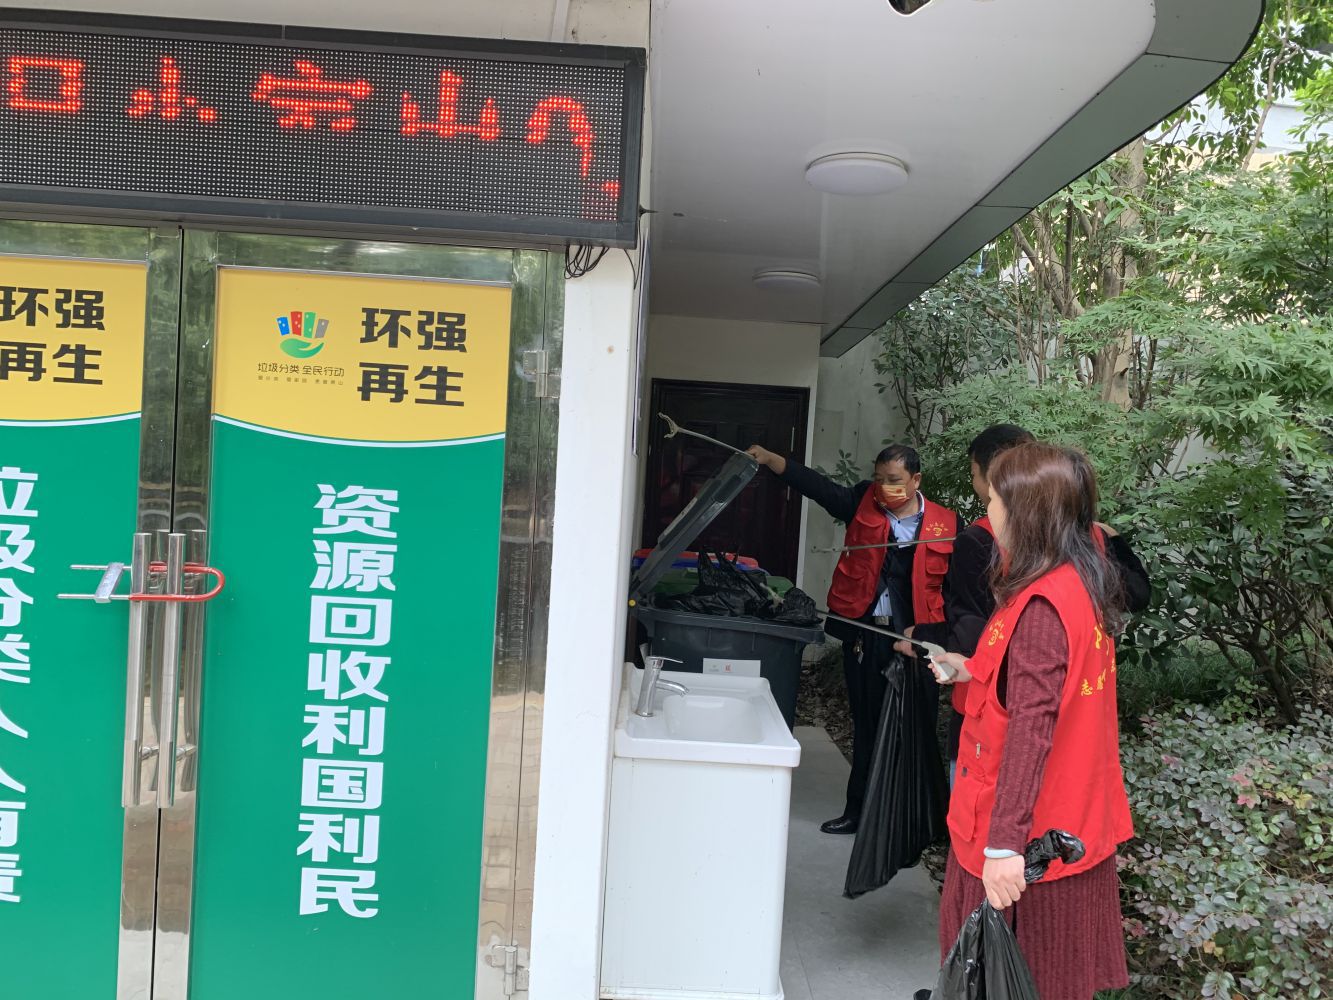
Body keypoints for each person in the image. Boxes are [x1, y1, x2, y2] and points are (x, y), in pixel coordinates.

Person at [929, 443, 1133, 1000]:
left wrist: (1004, 848)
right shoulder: (1077, 582)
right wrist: (970, 669)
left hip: (1028, 840)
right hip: (1074, 821)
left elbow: (1030, 732)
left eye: (993, 500)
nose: (988, 511)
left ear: (1024, 512)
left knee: (1019, 981)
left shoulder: (1043, 606)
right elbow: (1033, 684)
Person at [899, 424, 1150, 783]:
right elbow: (1136, 594)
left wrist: (923, 637)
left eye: (995, 497)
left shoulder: (1032, 589)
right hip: (1076, 738)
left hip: (996, 728)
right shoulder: (1090, 543)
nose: (988, 509)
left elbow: (976, 637)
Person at [745, 442, 956, 834]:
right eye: (878, 479)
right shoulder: (862, 502)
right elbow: (820, 488)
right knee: (867, 726)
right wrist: (774, 461)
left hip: (918, 641)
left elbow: (955, 595)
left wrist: (943, 640)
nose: (885, 488)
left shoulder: (946, 524)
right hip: (867, 634)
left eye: (894, 480)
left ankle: (913, 823)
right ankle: (859, 811)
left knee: (916, 726)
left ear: (916, 480)